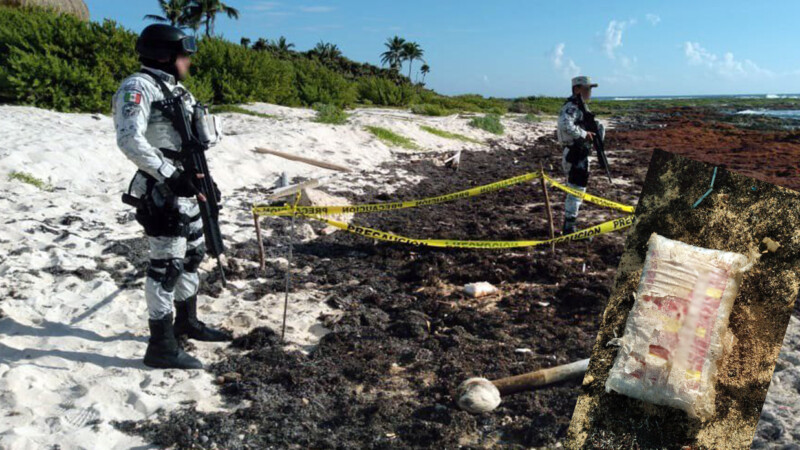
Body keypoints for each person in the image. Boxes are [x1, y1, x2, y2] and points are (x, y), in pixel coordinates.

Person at [113, 24, 231, 370]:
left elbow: (193, 141)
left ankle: (187, 322)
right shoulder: (137, 88)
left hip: (187, 184)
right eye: (184, 55)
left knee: (194, 254)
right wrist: (170, 175)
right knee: (167, 265)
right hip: (162, 187)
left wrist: (204, 182)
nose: (188, 62)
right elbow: (130, 140)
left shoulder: (176, 90)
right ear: (165, 56)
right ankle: (161, 346)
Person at [556, 75, 605, 235]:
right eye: (586, 89)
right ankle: (569, 227)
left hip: (580, 153)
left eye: (590, 89)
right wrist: (584, 134)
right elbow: (565, 124)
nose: (589, 92)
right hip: (574, 153)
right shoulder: (573, 106)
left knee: (578, 189)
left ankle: (570, 225)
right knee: (576, 190)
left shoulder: (581, 107)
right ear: (577, 89)